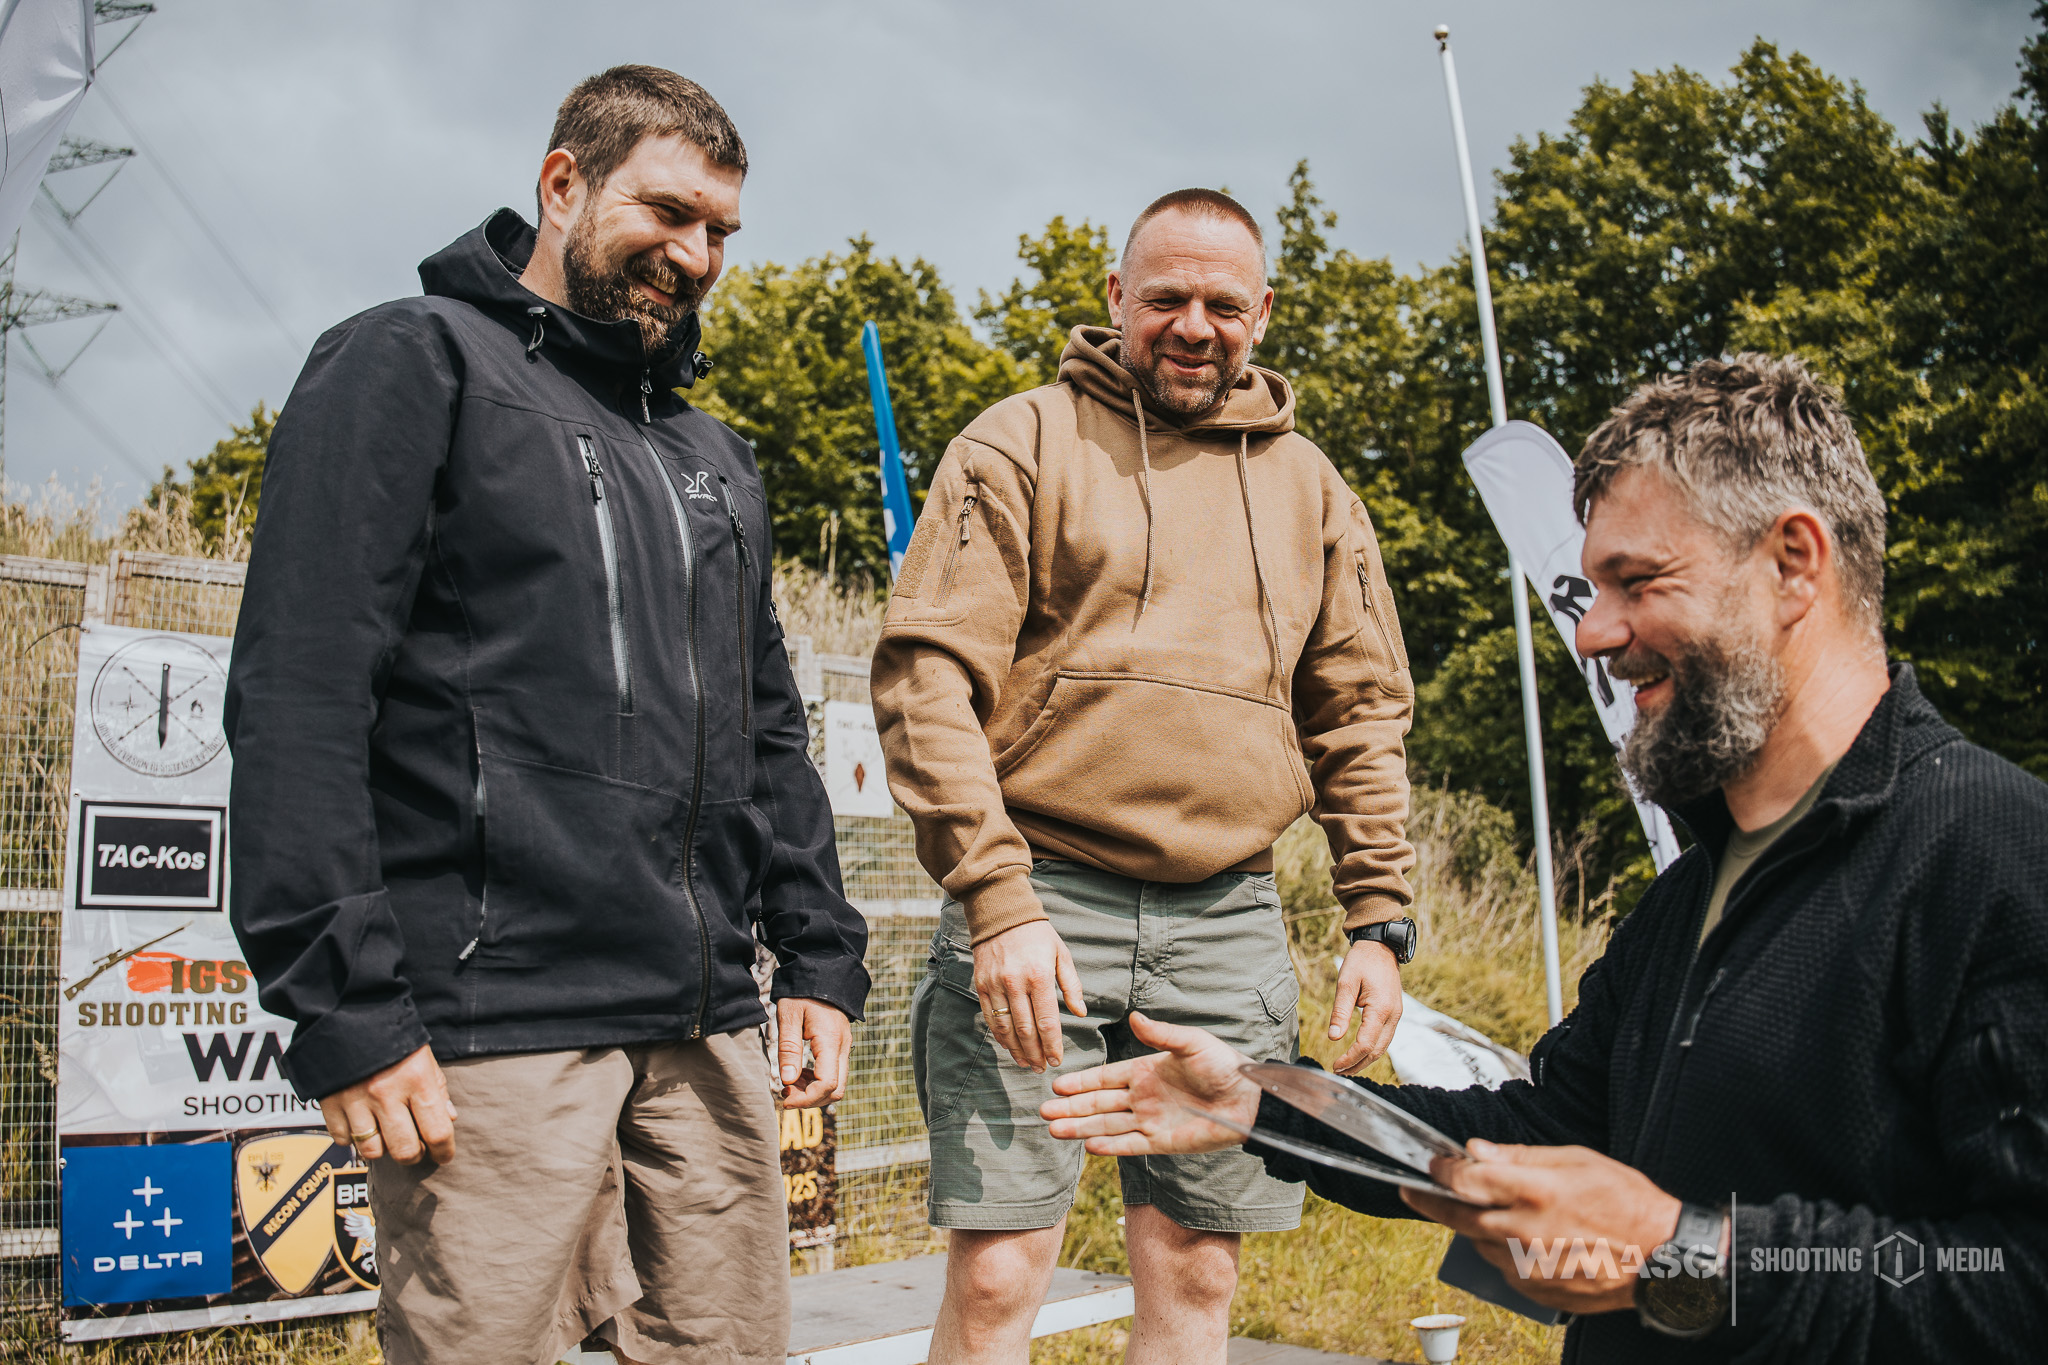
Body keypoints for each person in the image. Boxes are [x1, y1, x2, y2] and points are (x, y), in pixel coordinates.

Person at [1041, 354, 2048, 1362]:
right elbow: (1540, 1128)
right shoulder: (1693, 892)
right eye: (1593, 585)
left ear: (1792, 563)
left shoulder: (1997, 858)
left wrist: (1691, 1255)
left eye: (1635, 582)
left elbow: (2017, 1279)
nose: (1596, 632)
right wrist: (1265, 1105)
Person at [225, 67, 871, 1365]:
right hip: (494, 1020)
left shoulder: (712, 456)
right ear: (563, 183)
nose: (694, 255)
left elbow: (769, 733)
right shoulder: (411, 361)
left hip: (703, 1017)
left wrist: (818, 956)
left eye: (721, 233)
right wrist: (347, 1005)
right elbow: (299, 693)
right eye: (669, 212)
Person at [870, 189, 1417, 1364]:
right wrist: (994, 898)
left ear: (1261, 314)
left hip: (1225, 915)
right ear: (1116, 298)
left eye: (1222, 302)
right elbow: (926, 685)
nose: (1191, 322)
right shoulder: (1015, 442)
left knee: (1195, 1266)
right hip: (1039, 906)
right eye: (1163, 295)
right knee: (1001, 1268)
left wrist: (1378, 916)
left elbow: (1360, 713)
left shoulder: (1315, 491)